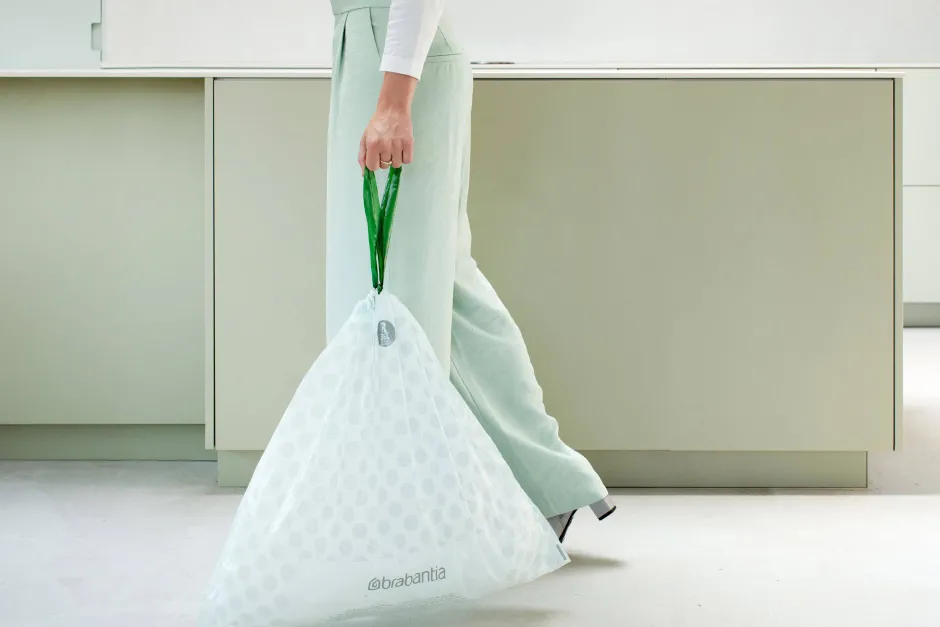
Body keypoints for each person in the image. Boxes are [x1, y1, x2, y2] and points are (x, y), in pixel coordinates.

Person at [325, 0, 616, 542]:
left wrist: (393, 101)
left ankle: (408, 510)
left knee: (406, 299)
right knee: (441, 288)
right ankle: (549, 483)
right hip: (372, 50)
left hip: (393, 60)